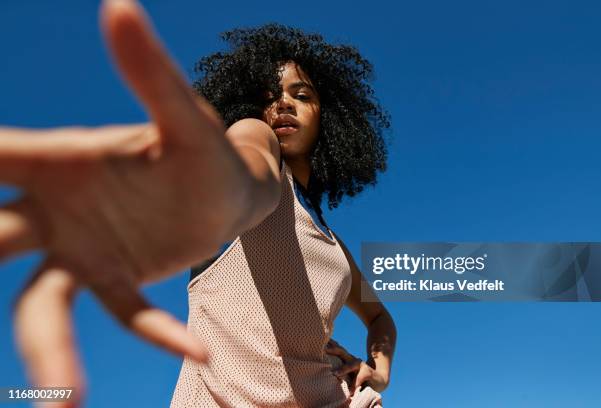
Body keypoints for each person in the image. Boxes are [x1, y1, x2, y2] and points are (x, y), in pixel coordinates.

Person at [4, 0, 396, 407]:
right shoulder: (256, 145)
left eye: (301, 94)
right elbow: (248, 167)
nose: (283, 104)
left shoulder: (335, 248)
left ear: (327, 117)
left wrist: (377, 370)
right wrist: (213, 186)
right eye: (269, 97)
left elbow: (380, 317)